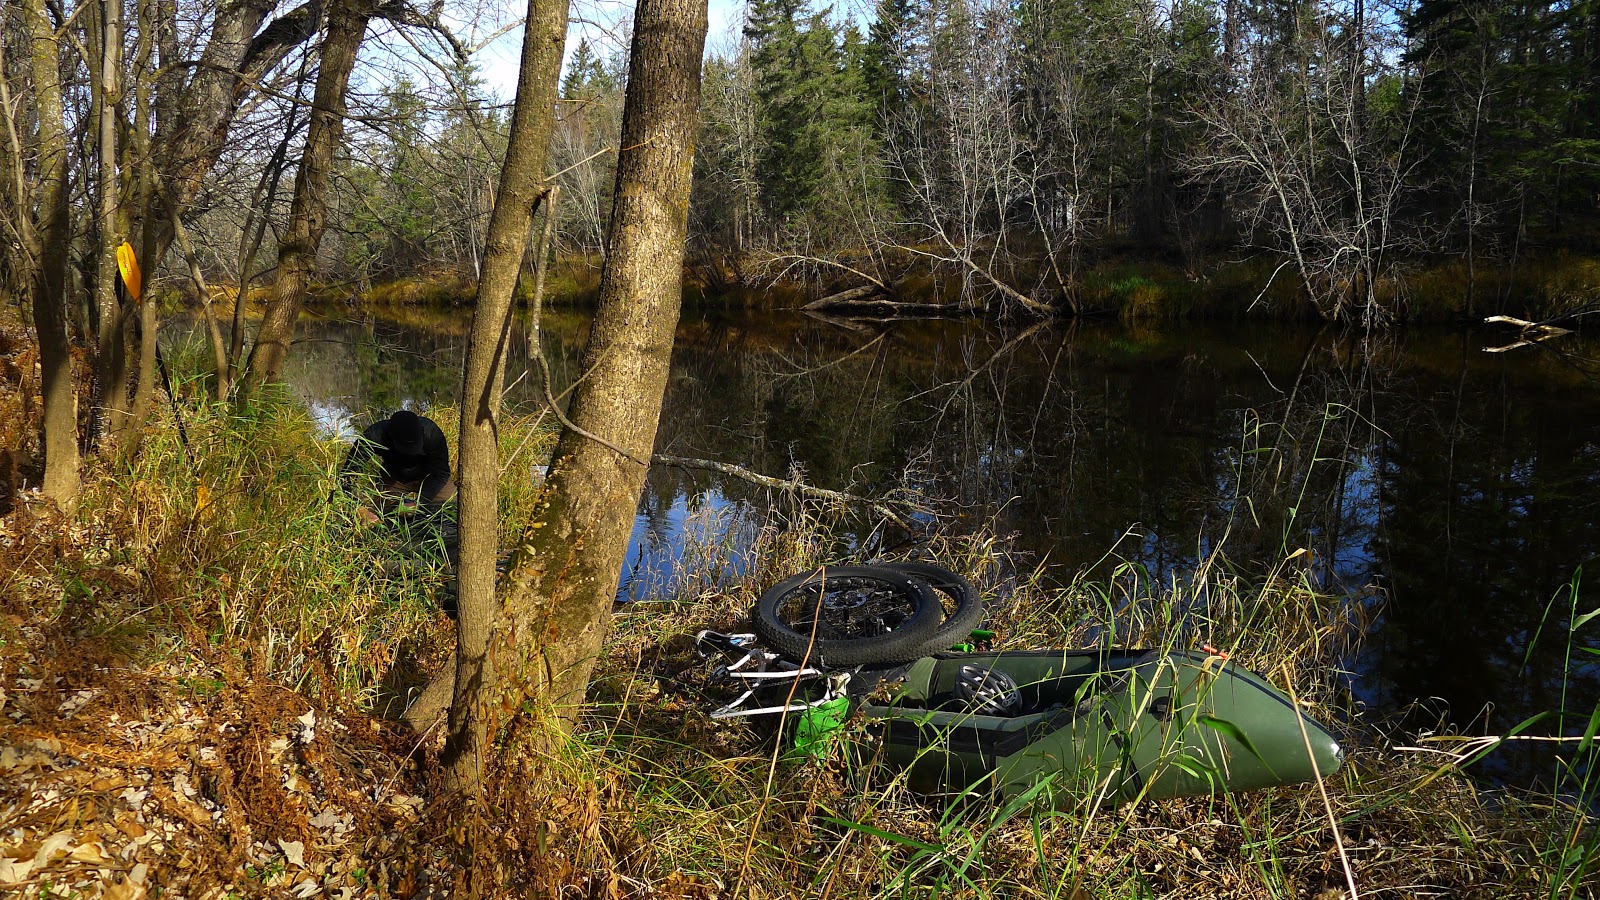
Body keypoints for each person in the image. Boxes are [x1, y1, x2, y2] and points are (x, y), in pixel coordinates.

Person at [340, 409, 455, 525]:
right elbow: (347, 477)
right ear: (390, 436)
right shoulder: (374, 436)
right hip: (395, 478)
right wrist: (361, 510)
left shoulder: (432, 433)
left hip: (430, 477)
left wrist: (418, 502)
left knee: (452, 506)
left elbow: (442, 474)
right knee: (385, 517)